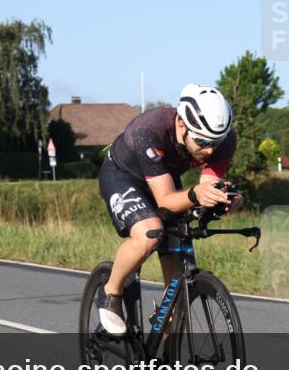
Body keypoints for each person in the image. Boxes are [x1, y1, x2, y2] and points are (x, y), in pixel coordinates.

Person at [97, 83, 242, 335]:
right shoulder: (149, 130)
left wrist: (221, 199)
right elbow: (165, 199)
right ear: (182, 125)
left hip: (164, 176)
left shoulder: (223, 139)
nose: (210, 150)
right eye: (203, 141)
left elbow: (206, 185)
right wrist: (197, 194)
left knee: (177, 282)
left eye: (216, 142)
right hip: (124, 175)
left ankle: (166, 351)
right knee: (149, 234)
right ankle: (111, 290)